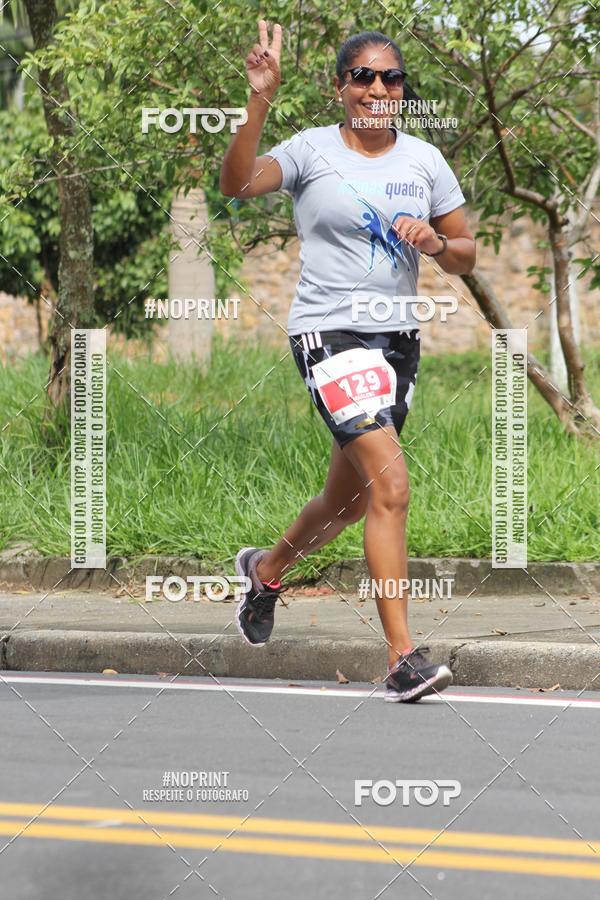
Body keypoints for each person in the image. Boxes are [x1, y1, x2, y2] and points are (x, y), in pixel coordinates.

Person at [220, 21, 476, 702]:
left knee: (348, 500)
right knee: (391, 487)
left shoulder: (423, 160)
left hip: (397, 343)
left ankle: (266, 571)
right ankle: (401, 659)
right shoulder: (310, 150)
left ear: (402, 91)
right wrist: (259, 103)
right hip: (328, 335)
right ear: (340, 88)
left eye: (390, 77)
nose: (377, 87)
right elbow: (238, 183)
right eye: (362, 76)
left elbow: (466, 249)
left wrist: (436, 243)